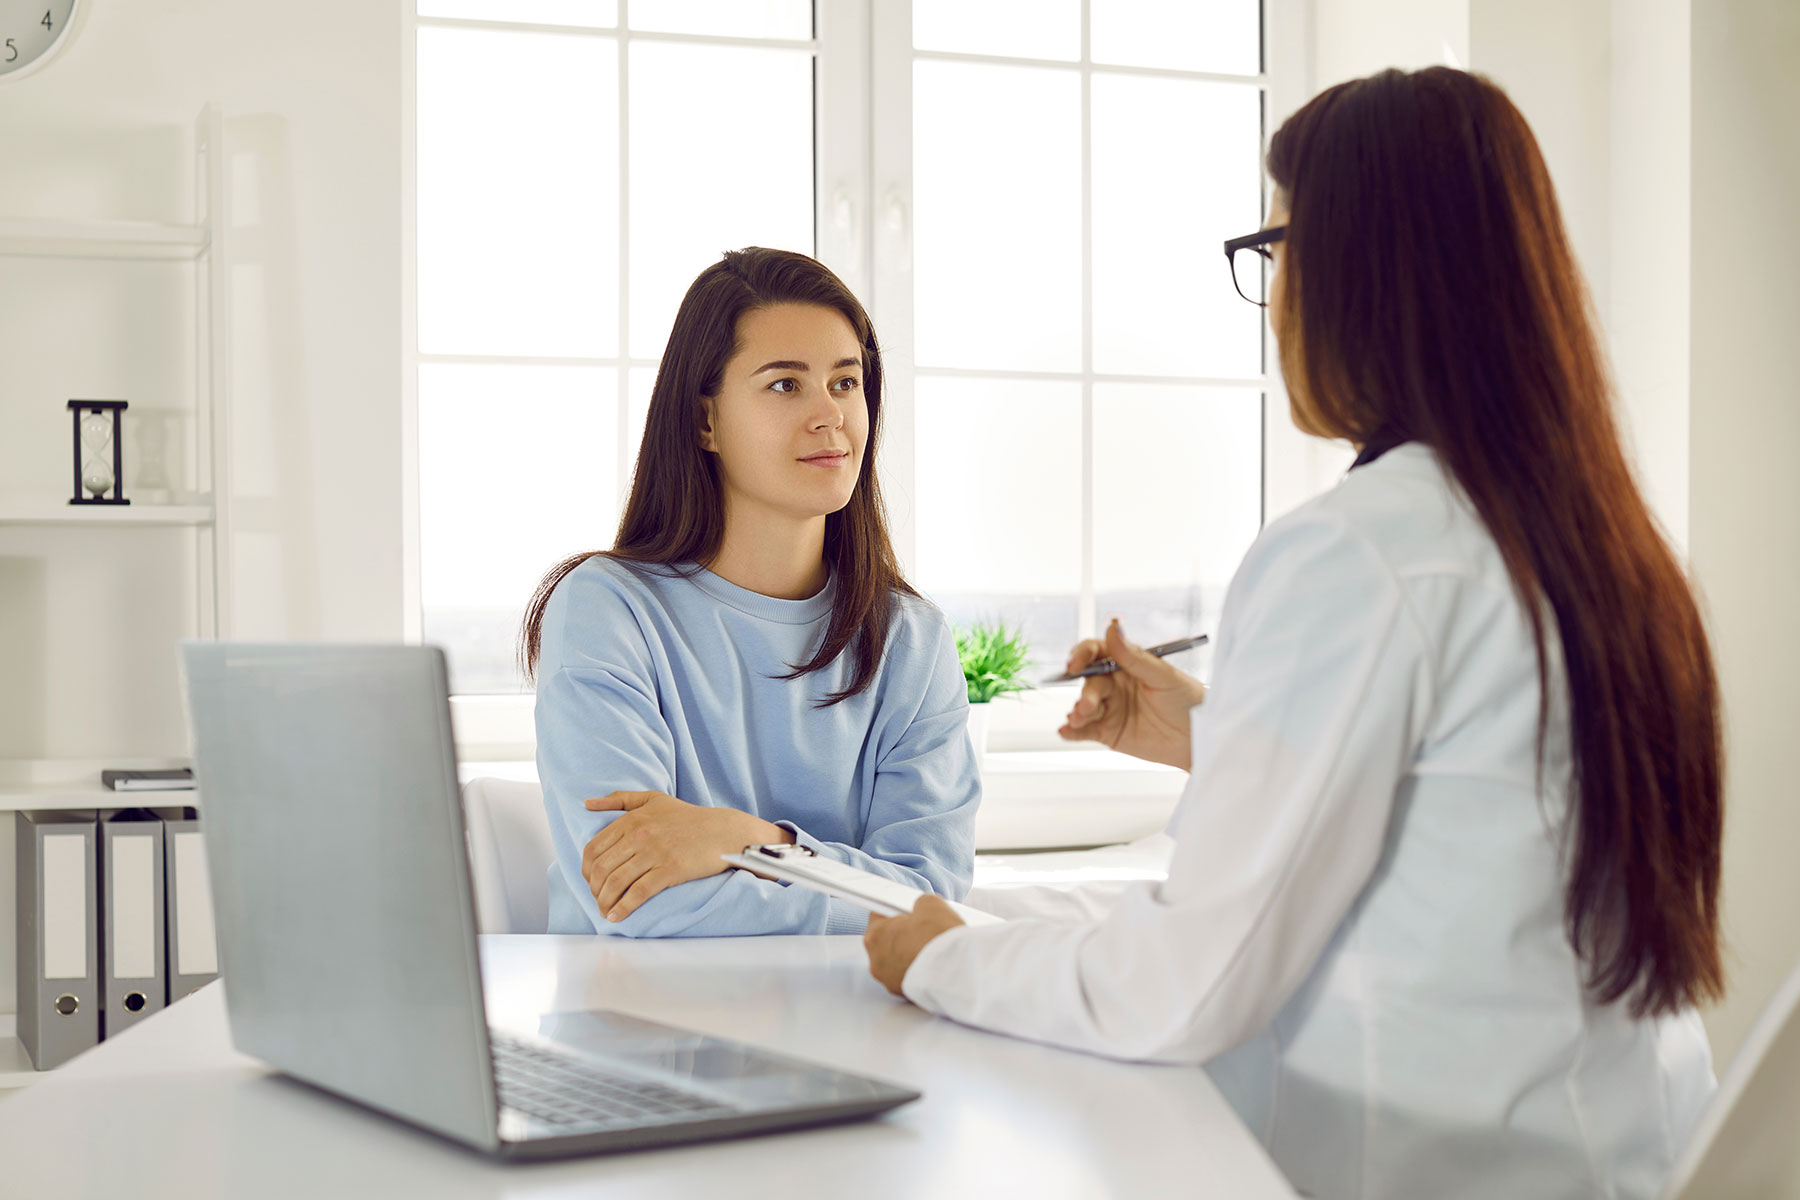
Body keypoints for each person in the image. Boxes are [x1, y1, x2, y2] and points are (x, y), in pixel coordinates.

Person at [864, 67, 1723, 1200]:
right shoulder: (1607, 546)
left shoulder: (1356, 550)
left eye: (1276, 252)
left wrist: (945, 959)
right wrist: (1211, 738)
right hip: (1629, 1159)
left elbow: (1190, 981)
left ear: (1362, 270)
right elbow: (1470, 821)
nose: (1272, 296)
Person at [522, 247, 979, 938]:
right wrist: (848, 885)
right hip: (640, 1030)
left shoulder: (912, 641)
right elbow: (635, 900)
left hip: (850, 1033)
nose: (830, 416)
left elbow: (931, 905)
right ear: (705, 421)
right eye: (784, 386)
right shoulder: (606, 611)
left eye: (846, 382)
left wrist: (749, 841)